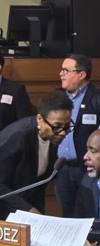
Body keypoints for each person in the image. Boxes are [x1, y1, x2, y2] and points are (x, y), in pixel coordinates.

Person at [0, 90, 73, 220]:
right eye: (57, 126)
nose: (63, 133)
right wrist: (28, 209)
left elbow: (38, 184)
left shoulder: (53, 138)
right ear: (40, 119)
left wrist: (40, 215)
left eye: (67, 126)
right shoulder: (18, 138)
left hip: (21, 199)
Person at [55, 54, 100, 217]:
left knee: (88, 214)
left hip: (87, 170)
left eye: (66, 70)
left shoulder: (96, 98)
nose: (61, 74)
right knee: (67, 216)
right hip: (62, 169)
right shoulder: (58, 97)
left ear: (82, 74)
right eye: (61, 70)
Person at [74, 130, 100, 218]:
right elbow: (79, 220)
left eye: (93, 151)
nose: (85, 157)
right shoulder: (86, 182)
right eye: (87, 150)